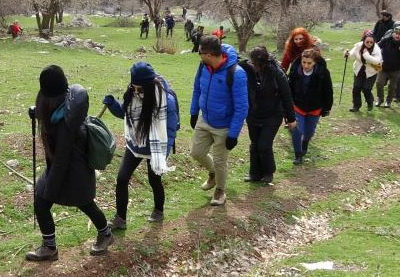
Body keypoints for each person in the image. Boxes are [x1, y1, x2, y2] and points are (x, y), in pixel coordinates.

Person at [25, 65, 114, 261]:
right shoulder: (63, 106)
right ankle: (50, 247)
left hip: (74, 173)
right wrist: (37, 113)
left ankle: (106, 234)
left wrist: (51, 188)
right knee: (43, 202)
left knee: (84, 204)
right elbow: (50, 115)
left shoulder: (66, 126)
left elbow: (62, 159)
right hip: (62, 169)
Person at [103, 62, 179, 229]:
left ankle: (158, 210)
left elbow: (171, 129)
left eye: (140, 89)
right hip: (135, 143)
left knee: (154, 179)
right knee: (122, 179)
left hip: (156, 146)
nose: (136, 92)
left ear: (149, 86)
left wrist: (162, 154)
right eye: (134, 87)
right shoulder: (133, 93)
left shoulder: (166, 100)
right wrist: (112, 104)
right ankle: (120, 219)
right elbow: (125, 113)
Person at [189, 36, 248, 206]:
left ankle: (220, 190)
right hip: (205, 119)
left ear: (209, 54)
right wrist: (194, 112)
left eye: (200, 52)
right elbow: (197, 88)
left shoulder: (236, 74)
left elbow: (242, 107)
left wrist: (233, 134)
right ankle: (213, 173)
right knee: (196, 153)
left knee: (221, 160)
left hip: (224, 125)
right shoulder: (203, 66)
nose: (198, 54)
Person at [238, 46, 296, 184]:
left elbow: (286, 95)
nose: (254, 66)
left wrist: (291, 118)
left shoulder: (276, 73)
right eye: (252, 63)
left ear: (263, 63)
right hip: (253, 113)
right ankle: (254, 174)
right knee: (255, 144)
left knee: (264, 144)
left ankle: (268, 172)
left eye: (256, 64)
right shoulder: (245, 68)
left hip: (273, 114)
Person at [287, 49, 333, 164]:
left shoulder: (323, 73)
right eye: (304, 62)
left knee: (309, 132)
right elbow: (288, 88)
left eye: (309, 63)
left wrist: (327, 107)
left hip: (315, 108)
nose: (306, 66)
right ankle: (298, 155)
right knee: (297, 130)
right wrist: (287, 106)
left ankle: (305, 143)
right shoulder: (295, 71)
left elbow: (328, 91)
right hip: (298, 106)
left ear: (315, 63)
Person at [376, 25, 400, 107]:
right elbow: (376, 47)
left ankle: (388, 101)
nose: (397, 35)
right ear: (393, 33)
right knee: (379, 83)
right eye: (396, 33)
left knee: (392, 87)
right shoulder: (386, 40)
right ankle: (380, 99)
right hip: (383, 67)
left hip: (396, 69)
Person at [344, 31, 383, 112]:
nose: (369, 44)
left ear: (374, 42)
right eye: (367, 42)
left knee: (366, 89)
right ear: (364, 41)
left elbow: (377, 62)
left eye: (371, 42)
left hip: (371, 72)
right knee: (356, 89)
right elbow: (352, 53)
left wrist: (366, 55)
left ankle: (370, 103)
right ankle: (356, 106)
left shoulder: (376, 49)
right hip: (359, 70)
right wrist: (347, 54)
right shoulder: (359, 45)